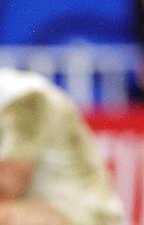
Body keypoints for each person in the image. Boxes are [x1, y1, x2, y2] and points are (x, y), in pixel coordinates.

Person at [0, 68, 123, 225]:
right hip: (45, 209)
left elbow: (6, 186)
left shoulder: (23, 97)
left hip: (85, 216)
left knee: (6, 218)